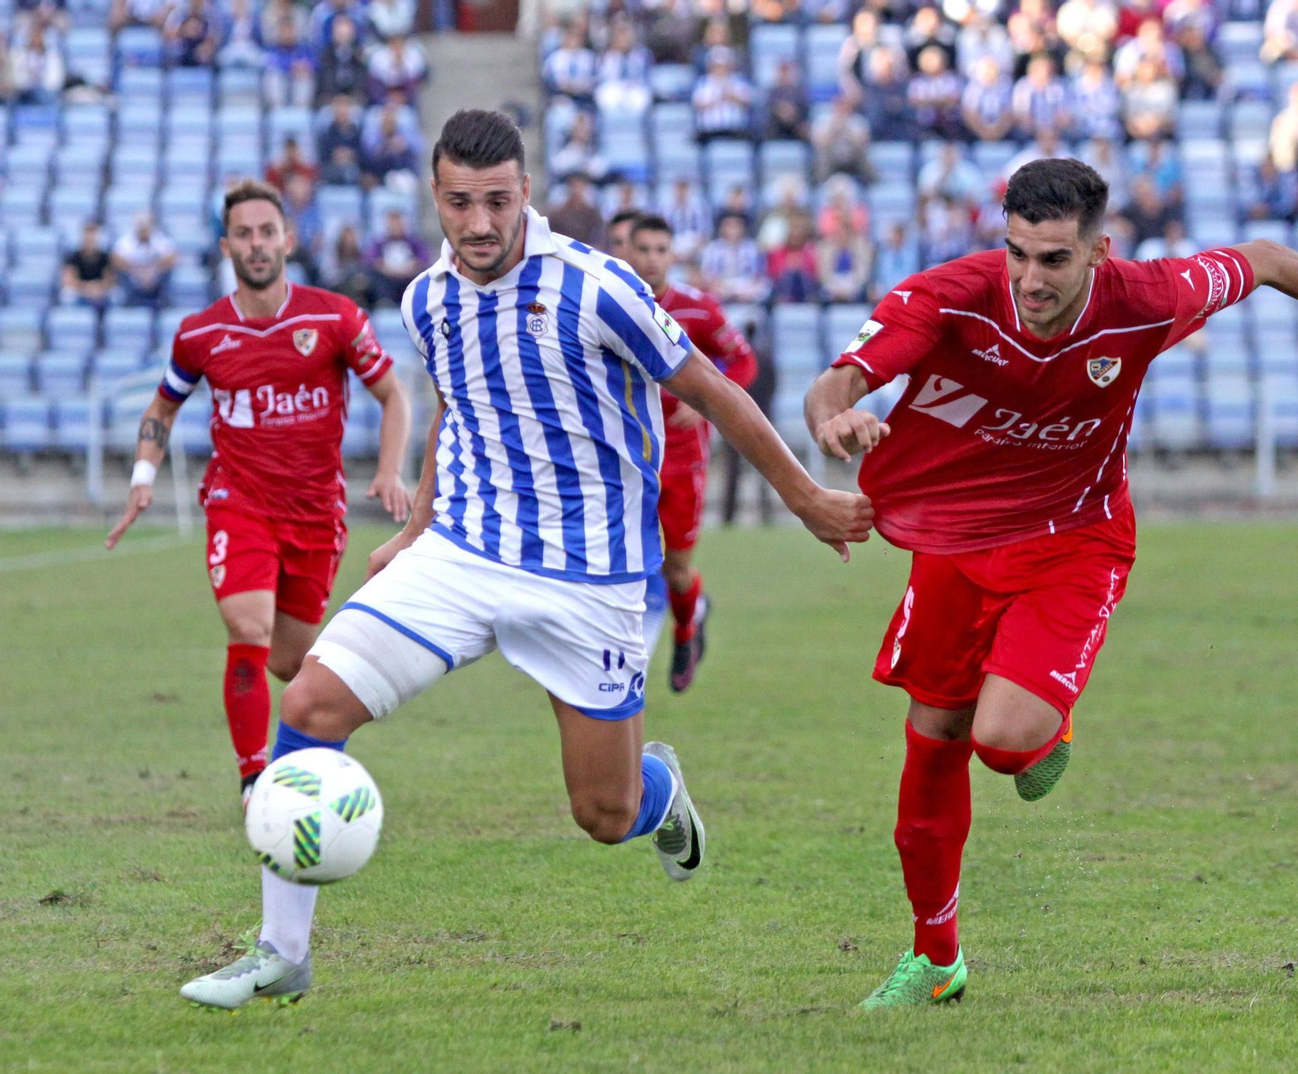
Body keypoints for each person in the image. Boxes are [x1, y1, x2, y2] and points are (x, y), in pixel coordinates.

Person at [176, 110, 871, 1009]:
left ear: (526, 195)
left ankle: (663, 799)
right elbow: (458, 413)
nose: (478, 223)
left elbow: (709, 386)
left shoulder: (597, 285)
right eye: (460, 202)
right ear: (436, 197)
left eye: (497, 201)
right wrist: (418, 527)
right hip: (463, 554)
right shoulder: (427, 299)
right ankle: (282, 951)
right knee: (308, 700)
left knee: (604, 813)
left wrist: (807, 498)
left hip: (591, 578)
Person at [803, 157, 1298, 1008]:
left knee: (1003, 742)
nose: (1031, 279)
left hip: (1075, 539)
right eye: (1018, 254)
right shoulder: (949, 295)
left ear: (1099, 251)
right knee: (932, 742)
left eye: (1054, 260)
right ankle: (936, 957)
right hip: (957, 542)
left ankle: (1051, 717)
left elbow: (1267, 258)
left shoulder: (1145, 299)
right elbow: (837, 383)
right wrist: (835, 420)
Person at [105, 180, 412, 810]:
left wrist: (389, 471)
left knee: (291, 664)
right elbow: (162, 406)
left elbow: (394, 395)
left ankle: (312, 754)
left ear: (287, 240)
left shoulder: (333, 317)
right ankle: (254, 781)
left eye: (266, 231)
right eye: (243, 234)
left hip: (313, 514)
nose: (256, 244)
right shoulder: (200, 334)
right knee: (247, 624)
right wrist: (143, 477)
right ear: (227, 246)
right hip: (238, 501)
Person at [628, 214, 760, 689]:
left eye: (660, 250)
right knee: (620, 557)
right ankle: (617, 663)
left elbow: (744, 360)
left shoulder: (697, 309)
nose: (651, 259)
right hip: (625, 456)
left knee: (676, 568)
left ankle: (687, 626)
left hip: (682, 458)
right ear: (628, 252)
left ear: (672, 255)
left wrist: (707, 404)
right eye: (642, 249)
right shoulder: (610, 305)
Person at [111, 215, 178, 308]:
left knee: (169, 271)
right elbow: (116, 259)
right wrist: (136, 271)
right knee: (120, 272)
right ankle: (129, 301)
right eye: (141, 227)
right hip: (134, 279)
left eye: (146, 227)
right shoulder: (127, 240)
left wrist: (153, 270)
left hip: (155, 279)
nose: (144, 231)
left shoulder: (159, 238)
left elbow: (172, 257)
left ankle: (163, 301)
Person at [60, 222, 117, 310]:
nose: (90, 241)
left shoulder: (104, 257)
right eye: (88, 238)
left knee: (116, 294)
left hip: (100, 291)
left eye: (93, 238)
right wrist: (86, 288)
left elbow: (110, 280)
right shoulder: (73, 257)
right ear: (82, 238)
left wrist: (98, 287)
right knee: (67, 295)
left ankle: (107, 320)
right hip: (80, 290)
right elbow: (68, 280)